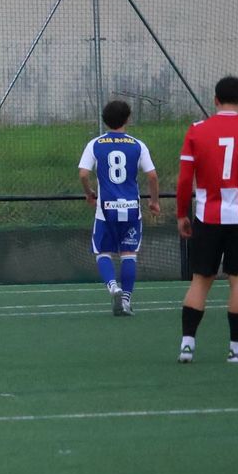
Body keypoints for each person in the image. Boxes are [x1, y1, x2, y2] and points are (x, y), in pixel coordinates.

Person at [176, 75, 238, 364]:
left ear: (215, 101)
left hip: (207, 215)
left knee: (200, 280)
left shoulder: (196, 130)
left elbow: (185, 180)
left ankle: (187, 345)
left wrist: (182, 213)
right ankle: (235, 350)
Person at [78, 99, 160, 317]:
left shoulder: (95, 144)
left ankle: (113, 287)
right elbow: (152, 175)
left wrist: (89, 194)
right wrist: (154, 201)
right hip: (132, 208)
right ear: (127, 119)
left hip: (105, 209)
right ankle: (125, 301)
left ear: (105, 120)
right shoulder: (137, 145)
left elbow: (83, 174)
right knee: (128, 254)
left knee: (102, 251)